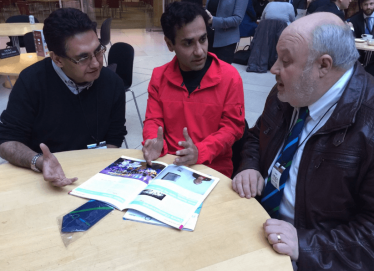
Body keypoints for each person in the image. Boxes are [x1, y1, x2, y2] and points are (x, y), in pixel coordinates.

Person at [232, 12, 374, 269]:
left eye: (285, 61)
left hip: (314, 256)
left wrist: (306, 245)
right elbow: (257, 134)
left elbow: (370, 236)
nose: (273, 68)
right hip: (255, 223)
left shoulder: (368, 123)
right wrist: (250, 165)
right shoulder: (287, 91)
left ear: (324, 66)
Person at [0, 8, 126, 187]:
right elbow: (7, 141)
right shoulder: (31, 81)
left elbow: (115, 138)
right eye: (83, 58)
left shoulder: (112, 83)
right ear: (57, 59)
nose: (97, 63)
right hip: (40, 178)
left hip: (93, 175)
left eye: (98, 51)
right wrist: (39, 161)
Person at [142, 2, 245, 178]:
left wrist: (200, 151)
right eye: (188, 43)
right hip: (169, 164)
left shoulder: (230, 77)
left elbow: (232, 128)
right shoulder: (159, 77)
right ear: (169, 44)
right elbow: (153, 120)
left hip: (213, 170)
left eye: (203, 39)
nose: (199, 51)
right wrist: (153, 141)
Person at [348, 0, 374, 75]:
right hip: (359, 60)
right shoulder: (354, 20)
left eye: (371, 4)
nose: (368, 7)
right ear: (361, 5)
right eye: (366, 4)